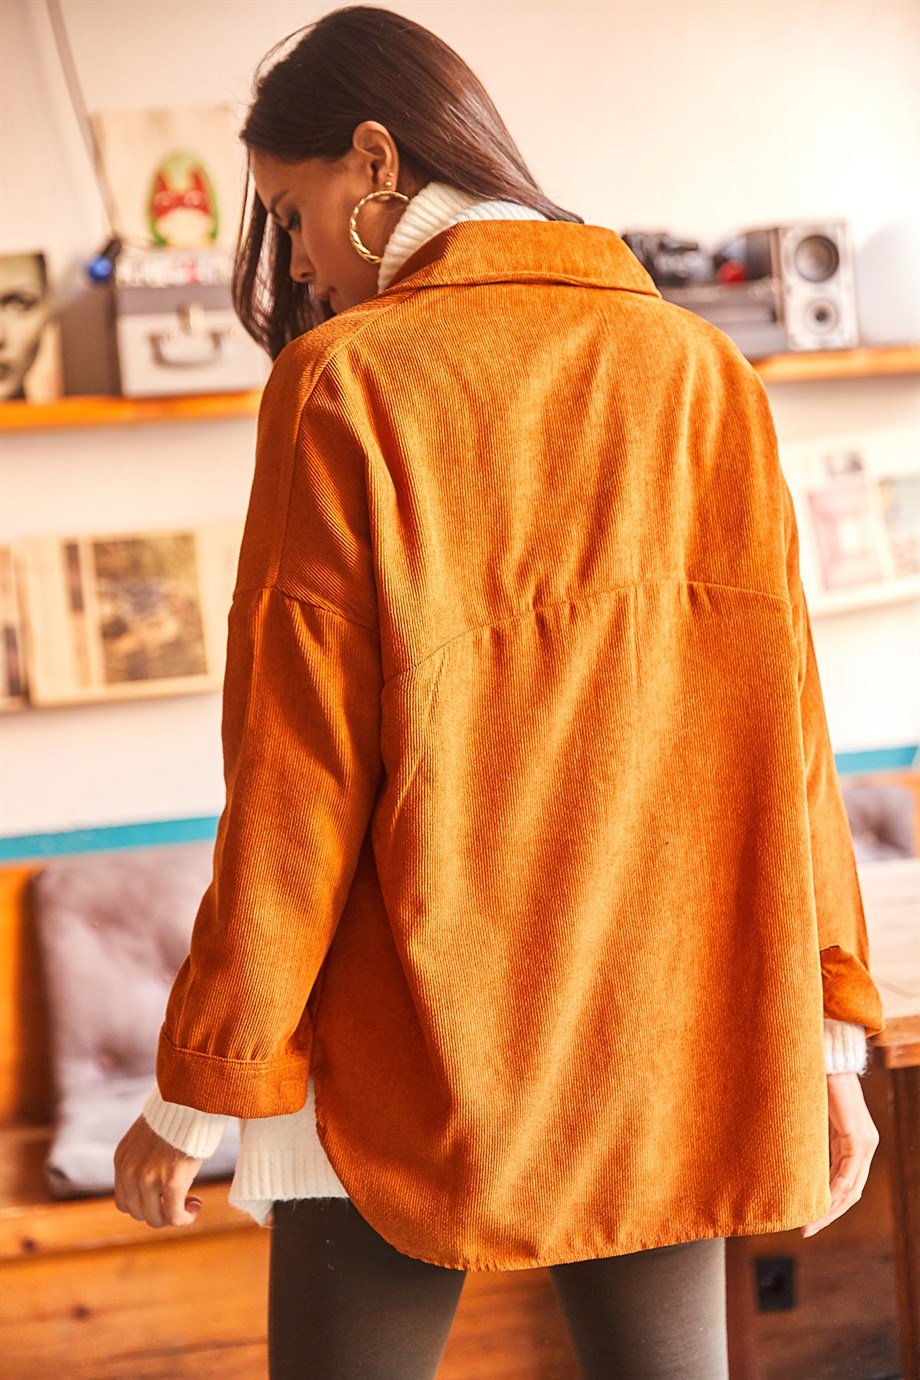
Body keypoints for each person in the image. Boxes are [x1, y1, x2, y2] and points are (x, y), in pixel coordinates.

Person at [113, 7, 885, 1377]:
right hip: (666, 1037)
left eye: (291, 217)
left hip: (404, 1042)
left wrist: (196, 1097)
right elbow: (794, 749)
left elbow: (296, 783)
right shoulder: (704, 375)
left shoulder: (344, 385)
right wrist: (828, 1036)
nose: (296, 263)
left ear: (372, 161)